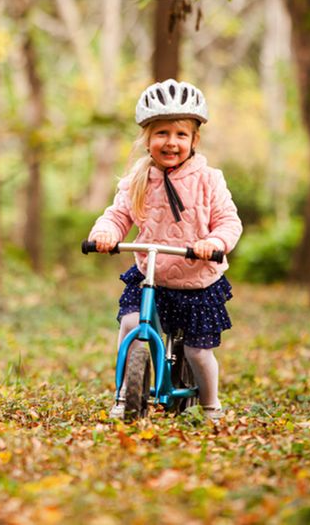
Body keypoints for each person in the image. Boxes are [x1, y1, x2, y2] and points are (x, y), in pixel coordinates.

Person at [88, 79, 242, 424]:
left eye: (180, 134)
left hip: (197, 280)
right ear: (147, 139)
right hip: (151, 275)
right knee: (130, 324)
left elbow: (228, 222)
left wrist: (214, 244)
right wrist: (105, 233)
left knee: (198, 352)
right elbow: (118, 215)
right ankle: (125, 394)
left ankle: (211, 405)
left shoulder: (210, 180)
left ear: (194, 140)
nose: (171, 142)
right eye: (161, 133)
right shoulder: (136, 180)